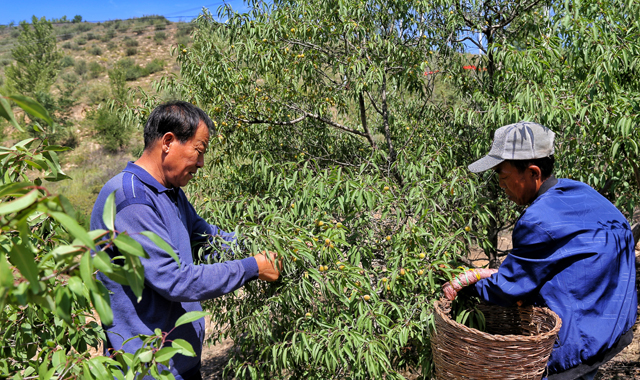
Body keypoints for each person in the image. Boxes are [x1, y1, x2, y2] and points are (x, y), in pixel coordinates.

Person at [90, 101, 282, 380]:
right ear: (168, 141)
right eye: (199, 151)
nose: (201, 164)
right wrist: (252, 267)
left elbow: (208, 238)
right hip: (148, 369)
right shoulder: (132, 201)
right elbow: (175, 280)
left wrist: (263, 244)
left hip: (179, 363)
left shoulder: (170, 191)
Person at [463, 121, 637, 380]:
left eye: (503, 175)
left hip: (580, 342)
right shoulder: (580, 192)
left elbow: (508, 289)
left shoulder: (537, 221)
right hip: (613, 324)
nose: (501, 185)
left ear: (533, 172)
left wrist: (466, 284)